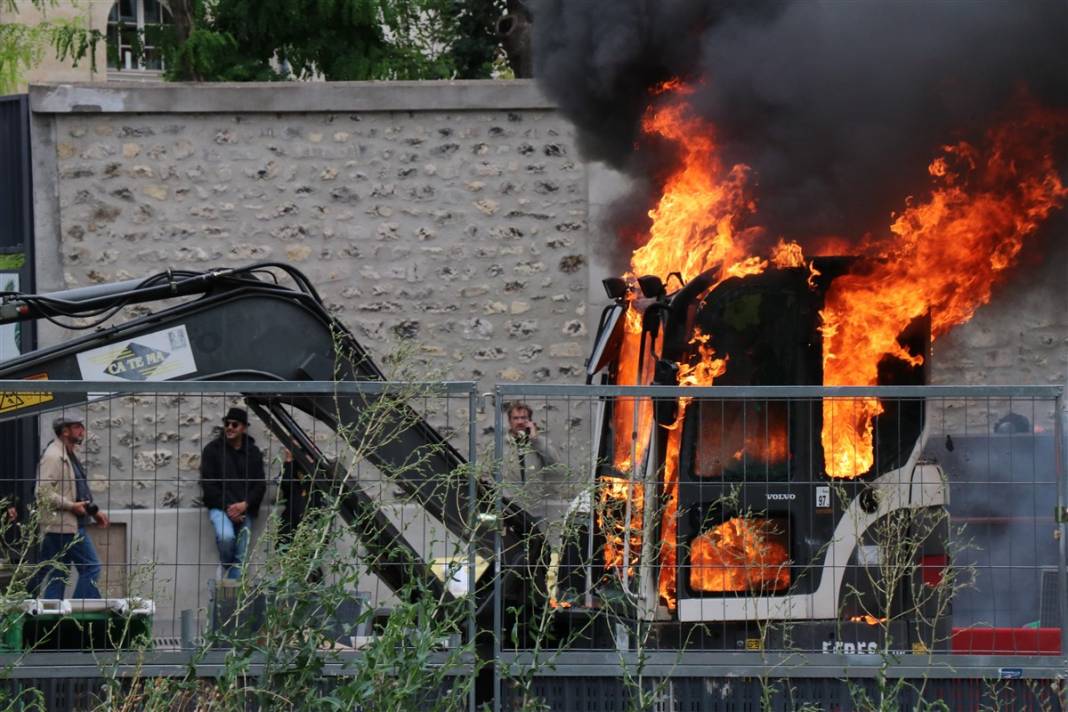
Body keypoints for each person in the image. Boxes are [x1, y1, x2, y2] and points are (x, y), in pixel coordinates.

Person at [36, 415, 109, 599]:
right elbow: (42, 491)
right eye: (77, 427)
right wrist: (70, 506)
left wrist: (94, 512)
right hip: (65, 525)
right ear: (65, 431)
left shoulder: (68, 455)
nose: (82, 431)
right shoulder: (54, 456)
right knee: (91, 568)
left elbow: (79, 493)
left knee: (58, 573)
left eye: (82, 427)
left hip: (68, 524)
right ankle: (79, 613)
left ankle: (52, 619)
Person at [199, 407, 266, 580]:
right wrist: (230, 508)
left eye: (234, 424)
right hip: (220, 507)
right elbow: (208, 484)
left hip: (245, 509)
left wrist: (245, 505)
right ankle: (225, 566)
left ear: (243, 427)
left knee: (241, 556)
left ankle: (232, 600)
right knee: (226, 537)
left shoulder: (253, 453)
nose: (229, 427)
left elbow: (259, 485)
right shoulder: (212, 450)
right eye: (226, 424)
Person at [501, 402, 562, 521]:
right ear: (509, 421)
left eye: (523, 418)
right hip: (508, 508)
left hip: (533, 509)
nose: (519, 422)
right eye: (515, 418)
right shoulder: (500, 445)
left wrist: (535, 439)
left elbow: (553, 461)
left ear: (530, 421)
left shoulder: (539, 443)